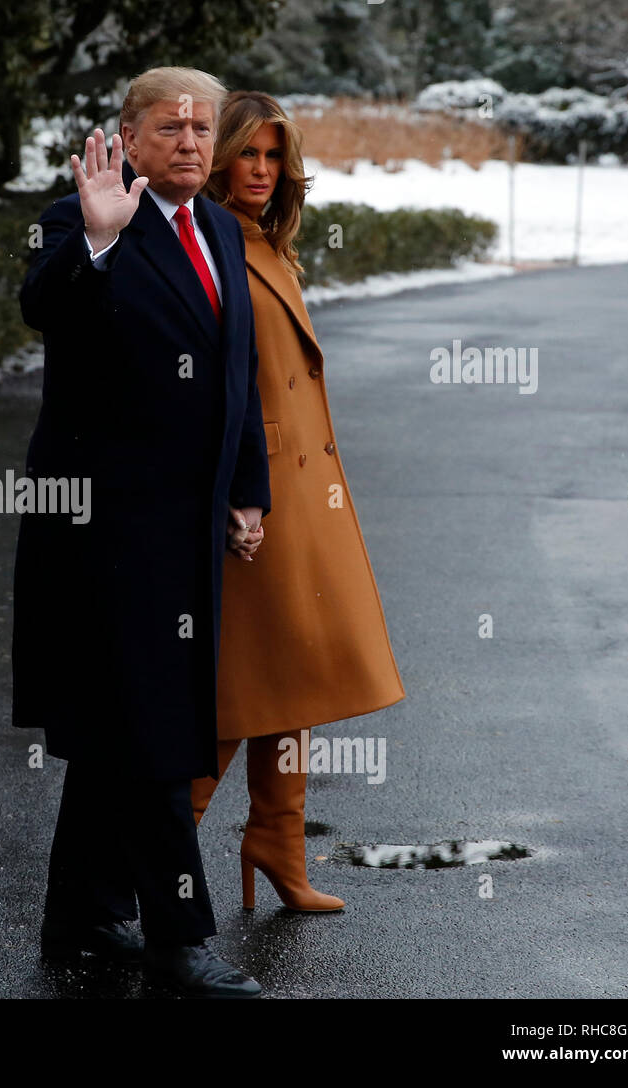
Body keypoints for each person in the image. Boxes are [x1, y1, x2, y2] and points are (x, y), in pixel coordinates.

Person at [12, 67, 271, 998]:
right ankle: (177, 937)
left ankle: (78, 915)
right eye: (171, 127)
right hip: (103, 527)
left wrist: (247, 488)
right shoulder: (73, 220)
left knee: (118, 721)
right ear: (125, 134)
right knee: (156, 730)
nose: (193, 143)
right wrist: (96, 236)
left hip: (187, 526)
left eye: (204, 127)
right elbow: (48, 310)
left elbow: (234, 370)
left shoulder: (223, 232)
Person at [191, 91, 405, 910]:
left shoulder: (270, 244)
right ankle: (166, 849)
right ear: (220, 160)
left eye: (275, 157)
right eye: (247, 153)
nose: (261, 170)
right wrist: (234, 497)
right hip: (256, 497)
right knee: (244, 679)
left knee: (292, 675)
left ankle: (278, 843)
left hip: (297, 492)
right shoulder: (211, 243)